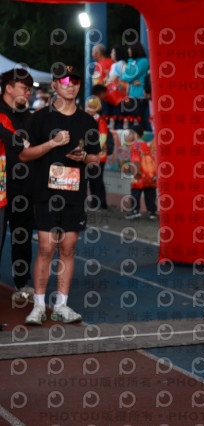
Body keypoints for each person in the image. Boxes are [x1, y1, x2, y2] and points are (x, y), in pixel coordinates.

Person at [20, 64, 100, 325]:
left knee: (68, 248)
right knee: (46, 248)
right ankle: (38, 306)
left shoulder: (87, 122)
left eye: (74, 80)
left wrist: (84, 156)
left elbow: (96, 159)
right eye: (64, 80)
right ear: (54, 85)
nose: (70, 84)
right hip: (45, 193)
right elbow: (25, 154)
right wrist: (52, 143)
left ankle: (61, 305)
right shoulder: (39, 119)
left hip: (74, 194)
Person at [0, 69, 36, 303]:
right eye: (24, 88)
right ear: (9, 88)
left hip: (24, 187)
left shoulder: (29, 117)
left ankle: (22, 283)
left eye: (30, 89)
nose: (29, 92)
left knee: (22, 237)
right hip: (1, 188)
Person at [124, 124, 157, 220]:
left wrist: (134, 173)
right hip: (150, 174)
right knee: (150, 193)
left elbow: (136, 161)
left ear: (135, 134)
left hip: (139, 174)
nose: (128, 135)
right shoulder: (146, 145)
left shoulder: (135, 146)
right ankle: (152, 213)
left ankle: (135, 211)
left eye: (130, 133)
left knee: (135, 192)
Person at [85, 95, 111, 210]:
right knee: (92, 179)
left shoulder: (101, 121)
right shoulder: (87, 120)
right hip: (90, 154)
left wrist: (94, 149)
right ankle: (95, 202)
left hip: (99, 155)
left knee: (97, 179)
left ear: (97, 108)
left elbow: (103, 137)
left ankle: (101, 203)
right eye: (88, 106)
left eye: (92, 107)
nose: (89, 109)